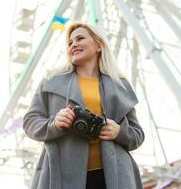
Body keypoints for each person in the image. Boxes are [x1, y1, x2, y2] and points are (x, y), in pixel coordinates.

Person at [23, 21, 145, 189]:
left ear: (98, 45)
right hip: (61, 175)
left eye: (80, 38)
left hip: (115, 177)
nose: (74, 44)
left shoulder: (120, 85)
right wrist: (54, 123)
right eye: (70, 42)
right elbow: (30, 122)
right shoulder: (51, 80)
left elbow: (138, 135)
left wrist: (119, 132)